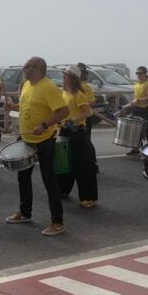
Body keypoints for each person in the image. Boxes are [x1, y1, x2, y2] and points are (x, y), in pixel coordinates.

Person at [4, 57, 69, 236]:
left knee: (49, 180)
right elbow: (27, 105)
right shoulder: (26, 84)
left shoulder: (48, 87)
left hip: (44, 139)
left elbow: (63, 111)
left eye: (28, 66)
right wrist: (13, 106)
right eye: (25, 66)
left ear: (38, 69)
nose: (24, 69)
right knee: (23, 177)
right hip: (26, 138)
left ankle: (57, 222)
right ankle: (25, 212)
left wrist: (44, 125)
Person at [57, 65, 98, 207]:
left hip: (77, 131)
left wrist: (73, 119)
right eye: (64, 74)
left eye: (66, 74)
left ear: (73, 78)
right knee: (64, 163)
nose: (63, 76)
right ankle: (63, 190)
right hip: (64, 131)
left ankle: (88, 197)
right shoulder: (63, 92)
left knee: (83, 166)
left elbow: (88, 112)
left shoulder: (78, 94)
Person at [121, 65, 148, 155]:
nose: (138, 75)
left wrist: (138, 100)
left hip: (146, 110)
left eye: (140, 73)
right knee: (136, 130)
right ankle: (136, 149)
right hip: (137, 109)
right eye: (137, 73)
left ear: (145, 74)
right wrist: (129, 105)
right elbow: (135, 98)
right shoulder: (136, 85)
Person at [77, 63, 99, 173]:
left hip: (86, 117)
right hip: (79, 117)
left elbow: (92, 101)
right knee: (82, 141)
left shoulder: (85, 86)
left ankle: (93, 163)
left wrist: (82, 104)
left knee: (86, 141)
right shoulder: (76, 86)